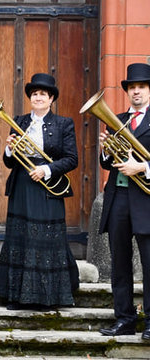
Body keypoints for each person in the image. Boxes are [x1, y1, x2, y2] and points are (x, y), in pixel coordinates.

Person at [0, 73, 79, 310]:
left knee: (44, 239)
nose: (38, 97)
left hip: (47, 187)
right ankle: (17, 296)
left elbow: (72, 159)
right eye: (35, 94)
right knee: (20, 239)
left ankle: (47, 297)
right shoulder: (19, 121)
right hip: (22, 185)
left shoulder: (64, 124)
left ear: (51, 98)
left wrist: (47, 170)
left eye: (43, 94)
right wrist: (9, 150)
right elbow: (9, 162)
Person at [99, 63, 150, 340]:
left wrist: (142, 168)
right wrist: (107, 152)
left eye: (141, 87)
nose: (136, 92)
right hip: (118, 199)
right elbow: (106, 162)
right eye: (132, 88)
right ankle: (125, 318)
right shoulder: (116, 119)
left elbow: (140, 164)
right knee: (120, 263)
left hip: (145, 200)